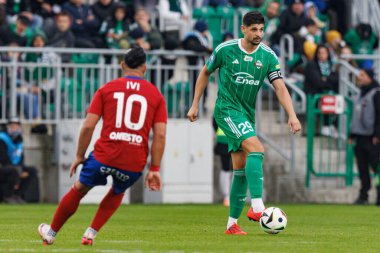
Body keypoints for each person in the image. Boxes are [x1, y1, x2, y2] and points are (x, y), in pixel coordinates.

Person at [38, 45, 168, 245]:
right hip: (133, 161)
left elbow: (88, 125)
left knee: (80, 189)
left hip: (104, 155)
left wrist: (80, 156)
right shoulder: (156, 95)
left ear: (122, 65)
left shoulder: (106, 89)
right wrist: (155, 168)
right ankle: (90, 233)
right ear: (145, 67)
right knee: (118, 191)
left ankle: (51, 233)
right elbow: (159, 134)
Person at [187, 11, 302, 235]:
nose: (258, 34)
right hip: (226, 110)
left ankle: (231, 225)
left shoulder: (268, 56)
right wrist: (194, 105)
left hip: (246, 114)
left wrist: (292, 114)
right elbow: (204, 73)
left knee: (239, 168)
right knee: (257, 149)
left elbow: (280, 87)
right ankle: (257, 207)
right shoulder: (225, 49)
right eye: (254, 29)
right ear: (243, 29)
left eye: (261, 29)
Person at [350, 69, 380, 206]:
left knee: (377, 168)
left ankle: (379, 196)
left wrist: (377, 134)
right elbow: (355, 117)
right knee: (362, 169)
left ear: (369, 77)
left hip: (372, 138)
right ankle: (363, 195)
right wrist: (351, 134)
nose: (359, 77)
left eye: (362, 75)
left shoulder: (376, 93)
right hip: (360, 137)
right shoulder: (360, 94)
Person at [0, 118, 40, 203]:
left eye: (16, 126)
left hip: (15, 167)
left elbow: (20, 157)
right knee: (13, 171)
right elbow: (3, 158)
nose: (14, 128)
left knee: (32, 171)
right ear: (8, 127)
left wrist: (21, 168)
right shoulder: (2, 138)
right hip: (4, 167)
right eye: (12, 126)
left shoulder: (19, 139)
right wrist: (18, 170)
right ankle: (8, 195)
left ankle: (19, 195)